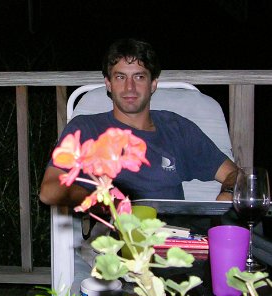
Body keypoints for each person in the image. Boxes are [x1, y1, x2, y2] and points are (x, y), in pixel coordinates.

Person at [39, 38, 239, 207]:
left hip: (173, 235)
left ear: (153, 84)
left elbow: (234, 174)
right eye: (120, 77)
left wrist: (228, 193)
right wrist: (103, 200)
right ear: (108, 84)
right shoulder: (85, 129)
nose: (130, 87)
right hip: (114, 235)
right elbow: (49, 191)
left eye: (139, 77)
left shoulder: (176, 128)